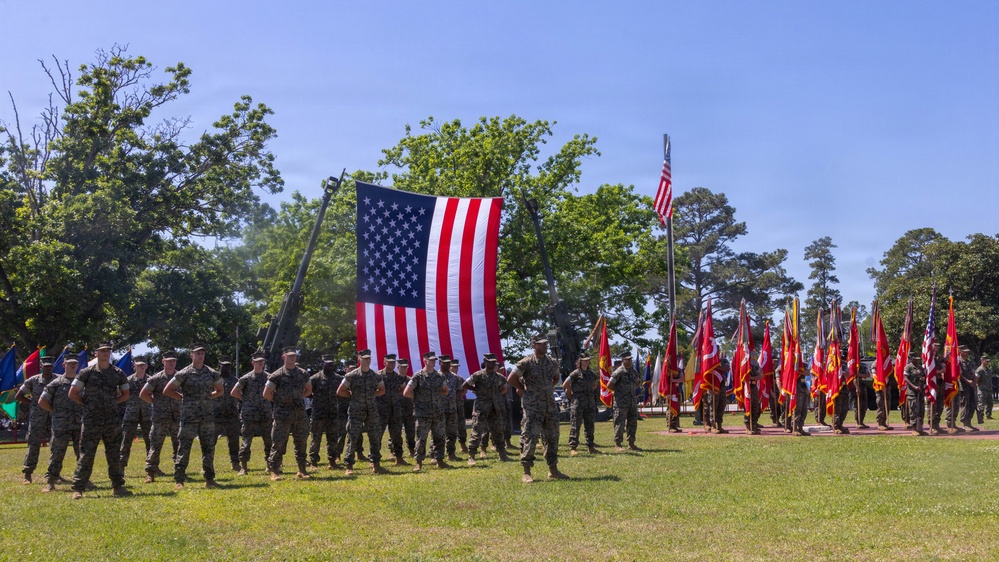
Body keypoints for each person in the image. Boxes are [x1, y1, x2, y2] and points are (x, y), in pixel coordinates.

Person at [68, 341, 131, 499]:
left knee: (114, 454)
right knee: (86, 455)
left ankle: (118, 487)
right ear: (96, 353)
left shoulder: (118, 373)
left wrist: (112, 403)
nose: (105, 353)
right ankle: (78, 488)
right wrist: (87, 404)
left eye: (108, 351)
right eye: (102, 351)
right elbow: (73, 393)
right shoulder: (86, 372)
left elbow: (126, 394)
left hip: (112, 420)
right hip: (91, 420)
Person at [507, 334, 568, 483]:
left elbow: (555, 378)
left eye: (545, 343)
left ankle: (553, 470)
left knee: (552, 437)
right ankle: (526, 472)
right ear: (533, 345)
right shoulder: (526, 362)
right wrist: (526, 390)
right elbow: (511, 379)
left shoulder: (552, 362)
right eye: (541, 344)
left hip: (550, 406)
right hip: (533, 407)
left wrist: (548, 388)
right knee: (530, 437)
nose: (544, 346)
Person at [164, 343, 224, 489]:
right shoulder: (184, 373)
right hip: (188, 417)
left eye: (202, 353)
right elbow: (168, 390)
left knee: (209, 447)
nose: (200, 356)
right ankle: (179, 480)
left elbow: (220, 390)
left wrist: (208, 398)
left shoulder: (212, 373)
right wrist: (182, 398)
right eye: (197, 353)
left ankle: (209, 479)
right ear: (191, 355)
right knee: (184, 447)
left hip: (207, 416)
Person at [264, 347, 313, 480]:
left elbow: (308, 390)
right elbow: (266, 393)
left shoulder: (303, 373)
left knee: (301, 442)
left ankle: (302, 470)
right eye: (289, 356)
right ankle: (274, 471)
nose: (292, 358)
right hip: (282, 414)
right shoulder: (276, 375)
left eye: (294, 356)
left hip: (299, 414)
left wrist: (298, 398)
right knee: (278, 442)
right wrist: (280, 401)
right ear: (283, 357)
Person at [37, 352, 83, 492]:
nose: (73, 365)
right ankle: (51, 481)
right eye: (70, 363)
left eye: (75, 363)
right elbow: (42, 401)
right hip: (61, 425)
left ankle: (83, 480)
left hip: (79, 423)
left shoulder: (82, 383)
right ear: (64, 365)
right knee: (57, 453)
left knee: (82, 453)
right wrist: (54, 412)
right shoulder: (56, 383)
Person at [337, 349, 386, 476]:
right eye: (364, 359)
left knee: (375, 437)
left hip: (372, 410)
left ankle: (376, 464)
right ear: (359, 359)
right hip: (356, 410)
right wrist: (352, 395)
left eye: (369, 358)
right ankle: (349, 466)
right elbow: (340, 391)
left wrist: (372, 396)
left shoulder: (375, 376)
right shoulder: (351, 375)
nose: (367, 361)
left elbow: (382, 390)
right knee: (352, 438)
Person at [403, 351, 450, 472]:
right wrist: (419, 398)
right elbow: (406, 392)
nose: (433, 362)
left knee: (439, 437)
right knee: (421, 438)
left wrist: (436, 397)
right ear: (425, 360)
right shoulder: (418, 376)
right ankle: (419, 462)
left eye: (434, 360)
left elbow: (445, 390)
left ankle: (440, 460)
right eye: (431, 360)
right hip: (422, 414)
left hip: (437, 412)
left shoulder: (440, 376)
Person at [140, 350, 181, 482]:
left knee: (179, 445)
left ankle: (179, 471)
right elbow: (143, 394)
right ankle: (150, 473)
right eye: (168, 361)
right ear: (163, 362)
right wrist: (155, 402)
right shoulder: (156, 378)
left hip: (177, 417)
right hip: (160, 417)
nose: (171, 363)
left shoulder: (181, 377)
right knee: (155, 446)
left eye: (173, 361)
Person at [231, 350, 273, 475]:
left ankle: (270, 466)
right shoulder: (246, 378)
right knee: (246, 442)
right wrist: (245, 399)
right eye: (258, 362)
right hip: (249, 415)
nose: (260, 363)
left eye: (262, 361)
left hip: (265, 413)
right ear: (253, 363)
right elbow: (234, 392)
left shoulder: (269, 377)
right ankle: (244, 467)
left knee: (268, 441)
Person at [15, 354, 55, 484]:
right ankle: (28, 474)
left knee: (56, 446)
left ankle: (55, 473)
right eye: (46, 366)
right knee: (33, 445)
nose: (48, 368)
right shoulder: (33, 380)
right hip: (37, 418)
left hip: (54, 417)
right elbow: (18, 396)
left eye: (50, 366)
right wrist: (32, 403)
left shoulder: (58, 379)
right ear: (41, 367)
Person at [465, 353, 511, 464]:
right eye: (490, 362)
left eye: (494, 362)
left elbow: (506, 387)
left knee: (498, 431)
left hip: (495, 408)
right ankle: (472, 456)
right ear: (485, 363)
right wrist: (476, 390)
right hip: (481, 408)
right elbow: (465, 384)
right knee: (477, 431)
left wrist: (498, 393)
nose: (493, 364)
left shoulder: (499, 377)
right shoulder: (478, 375)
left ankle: (502, 454)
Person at [118, 355, 152, 473]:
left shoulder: (151, 380)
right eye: (139, 365)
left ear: (146, 366)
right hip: (131, 414)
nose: (141, 367)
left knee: (150, 441)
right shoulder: (128, 380)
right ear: (134, 366)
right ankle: (121, 467)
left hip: (147, 414)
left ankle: (152, 467)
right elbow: (120, 393)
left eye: (143, 365)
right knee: (126, 442)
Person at [562, 352, 599, 455]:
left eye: (588, 360)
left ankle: (591, 446)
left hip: (589, 403)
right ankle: (573, 447)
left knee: (590, 425)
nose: (586, 362)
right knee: (575, 425)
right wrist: (572, 396)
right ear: (580, 361)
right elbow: (565, 385)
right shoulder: (575, 373)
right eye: (584, 360)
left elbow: (595, 385)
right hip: (578, 403)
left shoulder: (592, 374)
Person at [307, 355, 340, 470]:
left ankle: (332, 461)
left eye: (331, 364)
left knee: (333, 439)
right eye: (327, 364)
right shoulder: (315, 378)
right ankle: (313, 462)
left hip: (333, 413)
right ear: (323, 363)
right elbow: (307, 392)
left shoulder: (338, 378)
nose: (329, 366)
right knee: (316, 438)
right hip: (318, 414)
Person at [376, 353, 409, 466]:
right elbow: (372, 389)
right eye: (389, 362)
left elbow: (404, 389)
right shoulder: (378, 375)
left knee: (397, 435)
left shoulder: (398, 377)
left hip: (395, 410)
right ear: (384, 363)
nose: (392, 364)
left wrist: (395, 395)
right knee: (377, 435)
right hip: (381, 410)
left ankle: (399, 458)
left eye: (393, 362)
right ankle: (374, 459)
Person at [608, 351, 642, 451]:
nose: (630, 361)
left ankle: (631, 443)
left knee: (632, 423)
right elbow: (609, 385)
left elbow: (637, 383)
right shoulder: (618, 372)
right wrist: (619, 392)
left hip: (632, 401)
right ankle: (618, 444)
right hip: (621, 402)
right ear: (623, 360)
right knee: (619, 423)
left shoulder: (634, 371)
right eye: (628, 359)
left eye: (630, 359)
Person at [213, 359, 241, 472]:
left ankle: (235, 463)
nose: (226, 368)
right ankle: (208, 464)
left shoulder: (235, 380)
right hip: (216, 414)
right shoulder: (214, 379)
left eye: (228, 366)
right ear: (219, 366)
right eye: (224, 366)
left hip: (232, 414)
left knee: (234, 441)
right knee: (210, 441)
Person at [439, 355, 463, 461]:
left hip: (452, 409)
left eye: (448, 363)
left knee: (452, 433)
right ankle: (435, 455)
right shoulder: (436, 376)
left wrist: (452, 398)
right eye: (445, 363)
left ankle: (451, 454)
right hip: (439, 410)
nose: (447, 365)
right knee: (438, 433)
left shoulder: (455, 377)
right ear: (440, 363)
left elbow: (460, 390)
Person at [397, 358, 417, 458]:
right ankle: (394, 451)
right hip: (397, 409)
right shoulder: (395, 379)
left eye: (406, 367)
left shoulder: (410, 380)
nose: (404, 369)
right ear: (398, 367)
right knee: (396, 431)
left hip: (409, 409)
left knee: (410, 431)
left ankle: (412, 450)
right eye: (402, 367)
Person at [904, 352, 927, 436]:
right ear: (912, 359)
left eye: (918, 359)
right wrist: (914, 386)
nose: (917, 361)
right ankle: (914, 429)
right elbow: (906, 378)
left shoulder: (921, 368)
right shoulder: (908, 367)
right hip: (912, 392)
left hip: (920, 392)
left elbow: (924, 377)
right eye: (915, 359)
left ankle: (920, 428)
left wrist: (923, 380)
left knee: (921, 410)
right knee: (913, 410)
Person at [449, 358, 469, 454]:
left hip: (458, 405)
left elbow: (465, 389)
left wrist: (458, 395)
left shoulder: (459, 378)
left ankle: (463, 445)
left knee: (461, 426)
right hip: (447, 406)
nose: (456, 369)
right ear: (450, 367)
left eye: (457, 367)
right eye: (454, 367)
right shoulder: (444, 377)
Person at [957, 346, 979, 432]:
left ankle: (969, 422)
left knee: (972, 405)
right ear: (960, 352)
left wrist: (974, 381)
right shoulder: (958, 361)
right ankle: (964, 424)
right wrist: (967, 381)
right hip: (964, 386)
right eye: (965, 351)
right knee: (965, 404)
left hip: (971, 386)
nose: (967, 353)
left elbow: (973, 372)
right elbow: (959, 374)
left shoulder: (969, 362)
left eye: (967, 352)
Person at [744, 357, 763, 435]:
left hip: (754, 387)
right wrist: (754, 378)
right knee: (748, 406)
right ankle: (748, 427)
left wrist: (751, 378)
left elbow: (761, 376)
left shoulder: (755, 365)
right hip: (747, 387)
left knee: (755, 406)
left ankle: (753, 426)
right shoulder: (745, 364)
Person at [854, 361, 872, 429]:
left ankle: (861, 421)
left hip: (862, 385)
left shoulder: (862, 366)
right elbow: (852, 377)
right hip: (855, 386)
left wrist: (859, 375)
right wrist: (856, 387)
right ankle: (857, 422)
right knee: (857, 405)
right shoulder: (852, 365)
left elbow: (868, 375)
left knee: (864, 405)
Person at [976, 355, 993, 422]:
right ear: (982, 361)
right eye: (986, 361)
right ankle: (980, 417)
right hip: (982, 390)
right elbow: (976, 379)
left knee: (990, 403)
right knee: (981, 404)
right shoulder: (979, 369)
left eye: (988, 361)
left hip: (989, 389)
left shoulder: (988, 370)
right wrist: (978, 385)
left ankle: (988, 415)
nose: (987, 362)